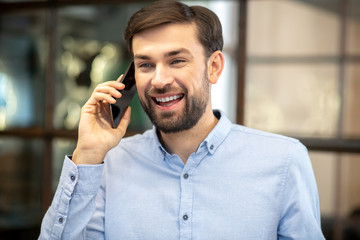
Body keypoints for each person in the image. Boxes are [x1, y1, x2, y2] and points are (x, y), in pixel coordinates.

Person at [39, 0, 325, 239]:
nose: (160, 80)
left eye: (177, 60)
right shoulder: (109, 164)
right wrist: (87, 155)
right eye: (145, 65)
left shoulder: (284, 161)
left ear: (213, 67)